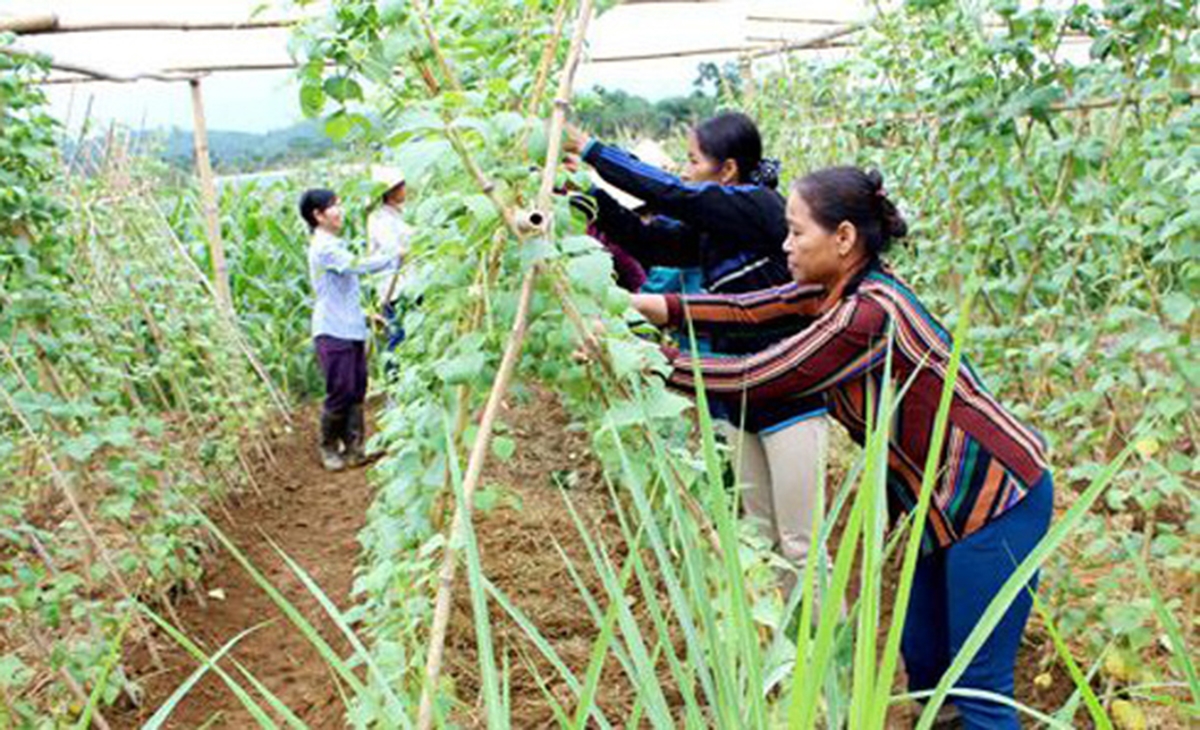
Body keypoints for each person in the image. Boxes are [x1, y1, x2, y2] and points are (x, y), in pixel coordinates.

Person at [631, 166, 1053, 729]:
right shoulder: (836, 292)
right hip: (935, 501)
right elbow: (749, 309)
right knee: (925, 661)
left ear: (844, 238)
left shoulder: (870, 314)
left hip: (995, 494)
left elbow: (759, 375)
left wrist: (651, 362)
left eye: (796, 231)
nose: (786, 245)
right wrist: (646, 308)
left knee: (979, 683)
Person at [565, 112, 830, 598]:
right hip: (739, 395)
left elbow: (674, 194)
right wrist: (585, 194)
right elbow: (649, 242)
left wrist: (592, 151)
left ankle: (828, 641)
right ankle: (781, 640)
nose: (684, 171)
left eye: (692, 161)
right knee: (763, 538)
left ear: (727, 170)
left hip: (790, 398)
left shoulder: (757, 206)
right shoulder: (715, 230)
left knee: (801, 545)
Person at [300, 188, 399, 472]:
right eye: (334, 206)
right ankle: (329, 448)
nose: (340, 211)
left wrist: (365, 315)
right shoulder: (323, 247)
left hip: (350, 327)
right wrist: (394, 256)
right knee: (341, 390)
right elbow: (356, 266)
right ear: (318, 215)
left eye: (340, 204)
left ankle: (355, 449)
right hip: (333, 330)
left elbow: (340, 290)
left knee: (357, 388)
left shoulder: (334, 243)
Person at [366, 165, 413, 360]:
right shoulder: (379, 218)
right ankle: (393, 376)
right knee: (398, 336)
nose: (405, 189)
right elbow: (393, 249)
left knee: (409, 334)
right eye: (402, 186)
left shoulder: (399, 214)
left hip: (409, 284)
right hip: (393, 288)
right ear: (391, 191)